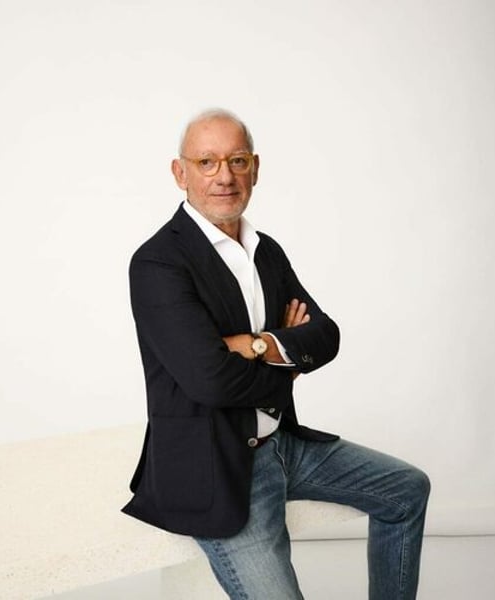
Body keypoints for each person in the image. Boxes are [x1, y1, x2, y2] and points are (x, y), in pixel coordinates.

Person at [122, 108, 430, 599]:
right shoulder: (158, 262)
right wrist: (287, 362)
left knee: (407, 489)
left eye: (237, 160)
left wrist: (257, 344)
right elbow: (210, 381)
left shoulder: (265, 251)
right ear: (180, 173)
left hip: (283, 444)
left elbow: (325, 335)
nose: (225, 176)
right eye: (206, 162)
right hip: (214, 466)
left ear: (255, 168)